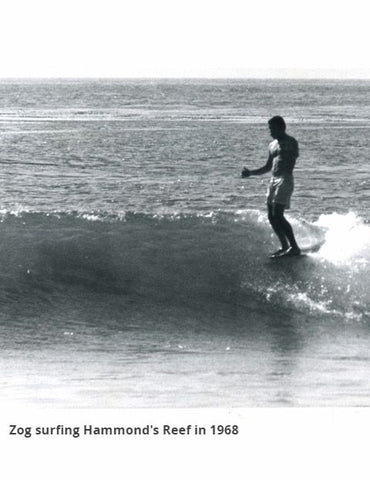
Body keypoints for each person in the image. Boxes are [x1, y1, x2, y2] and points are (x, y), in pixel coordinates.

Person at [241, 116, 301, 258]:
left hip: (285, 179)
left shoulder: (291, 142)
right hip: (273, 180)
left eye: (273, 128)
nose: (270, 131)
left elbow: (294, 156)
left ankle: (295, 247)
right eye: (270, 128)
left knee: (278, 214)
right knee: (271, 216)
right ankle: (284, 246)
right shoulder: (272, 145)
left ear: (281, 127)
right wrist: (251, 173)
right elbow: (268, 167)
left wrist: (287, 149)